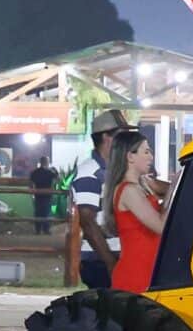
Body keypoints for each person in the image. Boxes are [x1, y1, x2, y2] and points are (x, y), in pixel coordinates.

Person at [69, 108, 137, 292]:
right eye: (123, 136)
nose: (127, 142)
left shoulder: (114, 170)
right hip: (100, 259)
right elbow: (88, 222)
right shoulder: (89, 173)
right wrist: (110, 263)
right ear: (107, 138)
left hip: (111, 256)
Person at [107, 132, 167, 293]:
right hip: (136, 275)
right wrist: (174, 191)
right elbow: (161, 226)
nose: (151, 157)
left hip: (149, 271)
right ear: (130, 157)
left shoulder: (144, 185)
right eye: (146, 152)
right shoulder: (129, 191)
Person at [28, 157, 60, 235]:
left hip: (38, 195)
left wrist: (32, 192)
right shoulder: (49, 172)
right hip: (47, 195)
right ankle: (46, 230)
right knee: (46, 213)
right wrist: (56, 171)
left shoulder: (35, 172)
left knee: (38, 213)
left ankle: (38, 230)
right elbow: (58, 179)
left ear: (41, 162)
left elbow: (30, 184)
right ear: (47, 162)